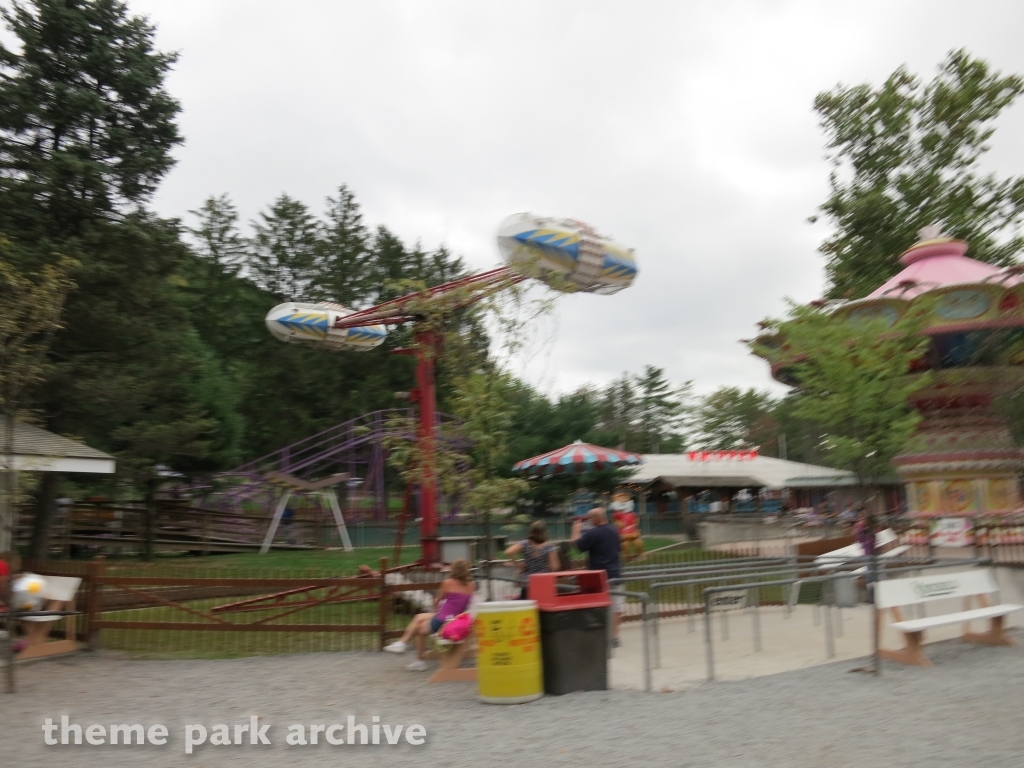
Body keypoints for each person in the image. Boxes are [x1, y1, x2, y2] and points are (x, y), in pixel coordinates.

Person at [384, 559, 475, 671]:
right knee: (418, 617)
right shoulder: (471, 586)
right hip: (455, 619)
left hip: (443, 620)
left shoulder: (448, 583)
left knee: (417, 629)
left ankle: (416, 657)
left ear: (454, 570)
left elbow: (437, 600)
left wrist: (435, 608)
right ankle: (402, 643)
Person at [571, 508, 623, 646]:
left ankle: (601, 635)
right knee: (616, 607)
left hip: (599, 576)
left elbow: (577, 546)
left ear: (595, 519)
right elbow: (617, 550)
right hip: (615, 573)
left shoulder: (593, 533)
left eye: (589, 519)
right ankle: (615, 637)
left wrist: (576, 529)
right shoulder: (614, 531)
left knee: (598, 607)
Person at [504, 521, 559, 599]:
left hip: (527, 582)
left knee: (526, 607)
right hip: (543, 582)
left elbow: (508, 552)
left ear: (531, 531)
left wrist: (517, 564)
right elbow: (555, 567)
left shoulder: (524, 544)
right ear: (544, 532)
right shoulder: (549, 547)